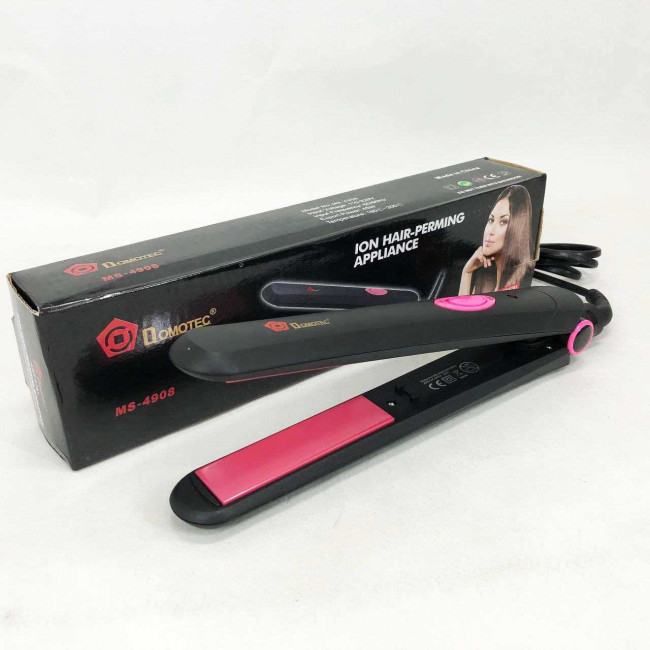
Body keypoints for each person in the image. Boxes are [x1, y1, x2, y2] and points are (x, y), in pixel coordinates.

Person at [458, 185, 534, 295]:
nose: (490, 231)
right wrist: (466, 273)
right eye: (491, 220)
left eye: (503, 222)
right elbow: (462, 306)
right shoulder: (485, 276)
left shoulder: (522, 278)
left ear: (518, 228)